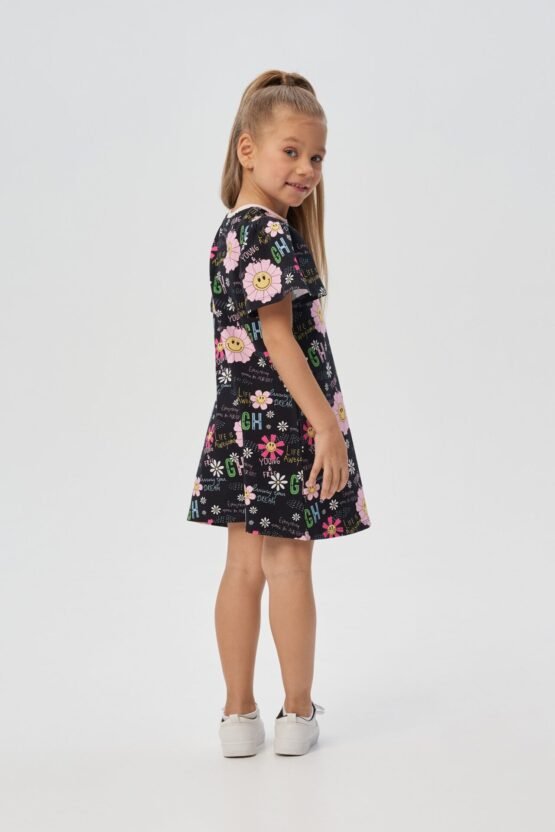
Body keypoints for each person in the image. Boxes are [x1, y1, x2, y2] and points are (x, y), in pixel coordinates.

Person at [186, 69, 372, 757]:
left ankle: (238, 716)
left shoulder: (231, 231)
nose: (307, 169)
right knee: (288, 566)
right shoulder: (269, 232)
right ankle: (295, 714)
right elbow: (278, 336)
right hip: (285, 425)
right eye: (291, 151)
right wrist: (325, 425)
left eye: (316, 156)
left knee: (242, 566)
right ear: (247, 150)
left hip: (240, 423)